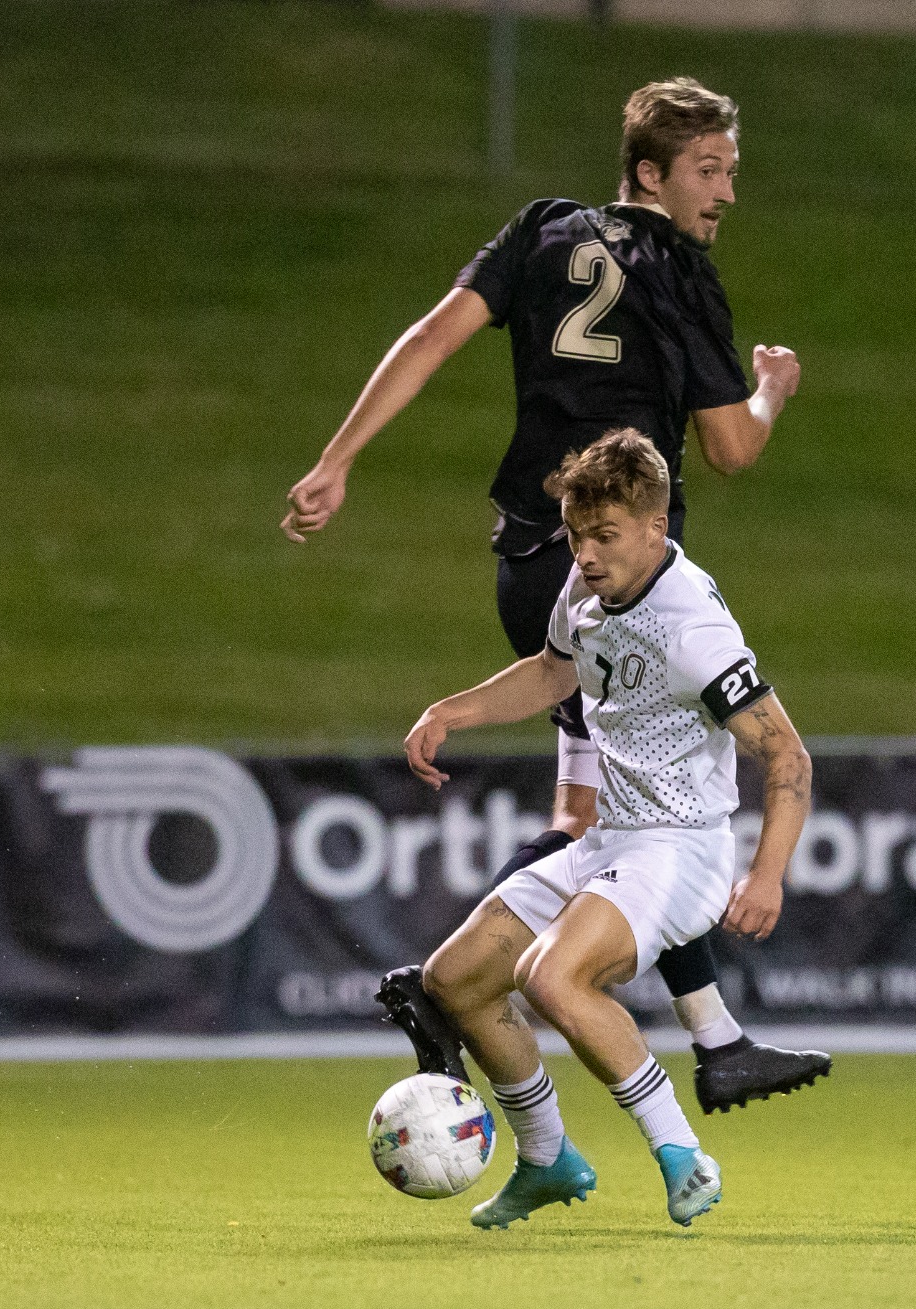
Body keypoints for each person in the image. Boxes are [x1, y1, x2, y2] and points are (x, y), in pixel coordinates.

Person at [283, 76, 828, 1111]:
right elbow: (729, 447)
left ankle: (717, 1039)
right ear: (649, 174)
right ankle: (446, 989)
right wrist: (770, 390)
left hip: (529, 556)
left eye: (729, 171)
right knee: (618, 820)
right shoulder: (679, 271)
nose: (724, 192)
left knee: (608, 811)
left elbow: (431, 336)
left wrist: (337, 458)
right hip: (612, 574)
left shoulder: (540, 229)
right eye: (708, 171)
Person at [401, 430, 812, 1227]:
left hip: (681, 849)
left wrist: (767, 873)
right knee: (454, 979)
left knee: (552, 976)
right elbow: (553, 671)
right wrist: (452, 710)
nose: (586, 554)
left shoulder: (691, 629)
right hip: (609, 841)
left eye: (605, 536)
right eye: (576, 535)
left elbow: (787, 754)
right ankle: (547, 1157)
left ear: (657, 527)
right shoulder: (588, 590)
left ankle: (683, 1153)